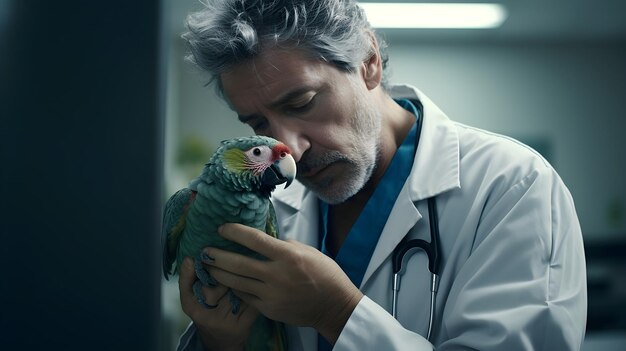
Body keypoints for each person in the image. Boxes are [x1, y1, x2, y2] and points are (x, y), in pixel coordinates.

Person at [174, 0, 587, 350]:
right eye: (258, 125)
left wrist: (335, 313)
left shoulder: (511, 187)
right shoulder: (267, 210)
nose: (291, 150)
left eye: (301, 104)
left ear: (368, 62)